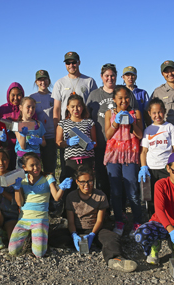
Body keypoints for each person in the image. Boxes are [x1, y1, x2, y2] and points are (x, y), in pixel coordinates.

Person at [48, 166, 138, 272]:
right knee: (53, 236)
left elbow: (100, 220)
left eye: (90, 181)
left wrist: (92, 234)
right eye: (83, 182)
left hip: (96, 229)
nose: (86, 185)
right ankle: (81, 242)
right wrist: (73, 234)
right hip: (77, 229)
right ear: (77, 182)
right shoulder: (71, 197)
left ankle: (115, 259)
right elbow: (71, 221)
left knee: (112, 238)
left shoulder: (100, 196)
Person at [8, 152, 71, 257]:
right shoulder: (22, 180)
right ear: (24, 167)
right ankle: (30, 237)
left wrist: (62, 188)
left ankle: (37, 236)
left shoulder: (48, 177)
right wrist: (17, 188)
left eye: (37, 164)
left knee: (39, 253)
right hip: (23, 219)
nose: (36, 167)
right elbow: (20, 203)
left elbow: (56, 197)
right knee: (13, 251)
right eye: (32, 165)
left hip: (40, 219)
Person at [52, 51, 98, 182]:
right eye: (68, 63)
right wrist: (58, 131)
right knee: (67, 171)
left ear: (79, 62)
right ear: (65, 65)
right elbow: (56, 109)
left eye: (74, 62)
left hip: (85, 127)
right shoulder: (59, 83)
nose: (71, 65)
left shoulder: (89, 81)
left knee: (88, 175)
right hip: (67, 130)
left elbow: (93, 105)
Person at [104, 85, 143, 237]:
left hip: (130, 155)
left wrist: (132, 122)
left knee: (132, 190)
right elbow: (108, 135)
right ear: (114, 99)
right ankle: (119, 220)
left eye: (126, 97)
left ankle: (137, 221)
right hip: (113, 155)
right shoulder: (109, 113)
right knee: (115, 191)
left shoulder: (136, 112)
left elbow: (140, 135)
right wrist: (116, 123)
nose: (123, 100)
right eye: (120, 98)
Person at [138, 98, 174, 218]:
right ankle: (153, 219)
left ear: (164, 111)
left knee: (168, 195)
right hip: (151, 169)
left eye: (160, 112)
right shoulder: (148, 130)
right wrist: (143, 167)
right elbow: (143, 151)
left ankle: (170, 220)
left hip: (166, 169)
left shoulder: (170, 128)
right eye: (154, 113)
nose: (157, 115)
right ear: (149, 113)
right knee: (151, 197)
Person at [86, 63, 119, 202]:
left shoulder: (122, 93)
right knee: (101, 177)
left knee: (118, 179)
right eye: (107, 76)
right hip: (100, 143)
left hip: (119, 145)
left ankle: (119, 209)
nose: (109, 78)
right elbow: (87, 117)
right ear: (101, 77)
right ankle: (104, 207)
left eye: (112, 76)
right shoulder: (94, 95)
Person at [56, 94, 96, 196]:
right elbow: (58, 142)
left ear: (82, 107)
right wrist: (67, 143)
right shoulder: (63, 123)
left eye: (78, 106)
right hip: (71, 162)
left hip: (87, 160)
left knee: (87, 188)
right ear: (68, 107)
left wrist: (92, 144)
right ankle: (70, 211)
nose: (76, 109)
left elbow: (95, 142)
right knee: (71, 188)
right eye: (72, 106)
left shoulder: (89, 122)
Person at [0, 82, 36, 170]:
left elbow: (34, 124)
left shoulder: (26, 108)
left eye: (19, 95)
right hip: (7, 147)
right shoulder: (3, 109)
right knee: (7, 173)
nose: (16, 98)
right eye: (13, 95)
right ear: (8, 95)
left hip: (23, 148)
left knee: (21, 173)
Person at [29, 70, 56, 174]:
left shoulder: (54, 96)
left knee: (50, 169)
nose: (43, 82)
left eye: (45, 79)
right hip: (36, 138)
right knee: (35, 169)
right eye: (40, 80)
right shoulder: (32, 97)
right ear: (36, 82)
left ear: (49, 81)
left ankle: (51, 189)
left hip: (50, 137)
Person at [14, 97, 46, 168]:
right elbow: (23, 146)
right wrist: (23, 135)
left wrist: (40, 141)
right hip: (23, 157)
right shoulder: (17, 125)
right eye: (28, 107)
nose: (31, 109)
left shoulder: (38, 124)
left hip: (36, 157)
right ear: (21, 108)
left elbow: (44, 143)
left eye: (33, 107)